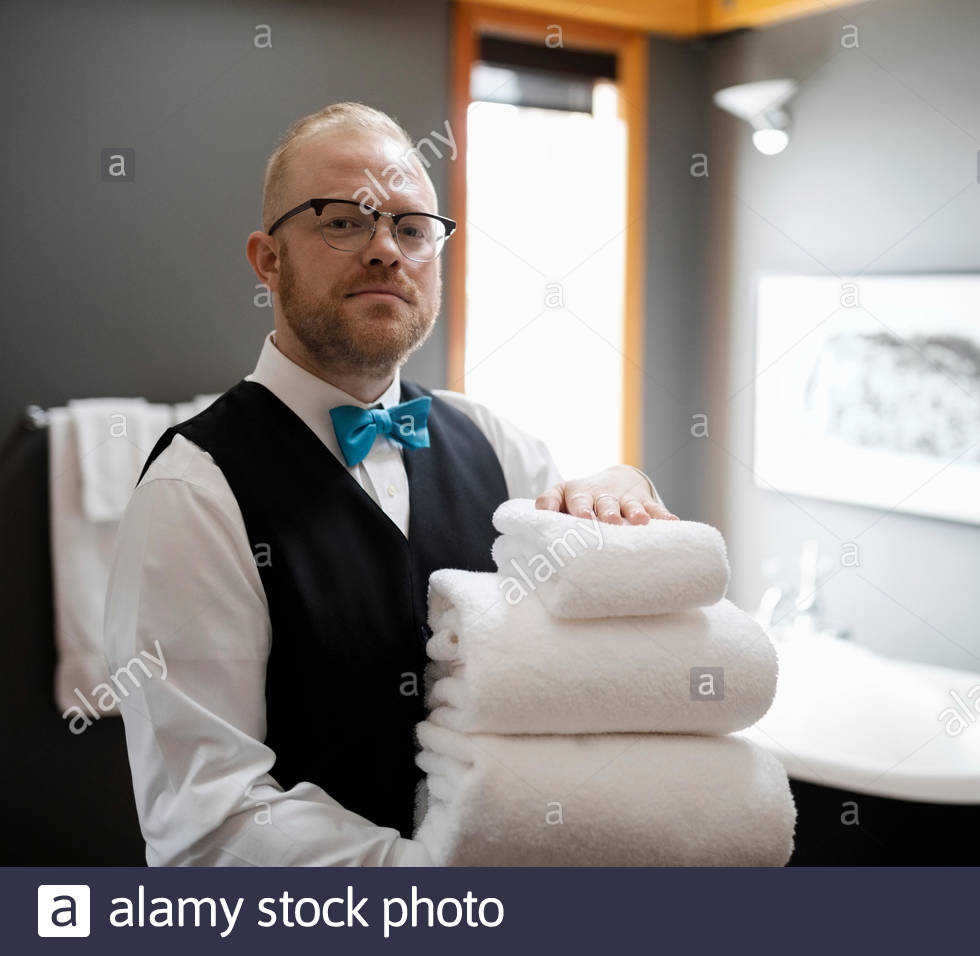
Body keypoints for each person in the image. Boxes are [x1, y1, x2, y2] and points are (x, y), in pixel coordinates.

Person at [103, 102, 674, 866]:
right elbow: (211, 824)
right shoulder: (195, 491)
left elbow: (595, 638)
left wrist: (620, 481)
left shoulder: (494, 443)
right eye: (343, 221)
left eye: (411, 228)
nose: (385, 250)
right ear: (267, 260)